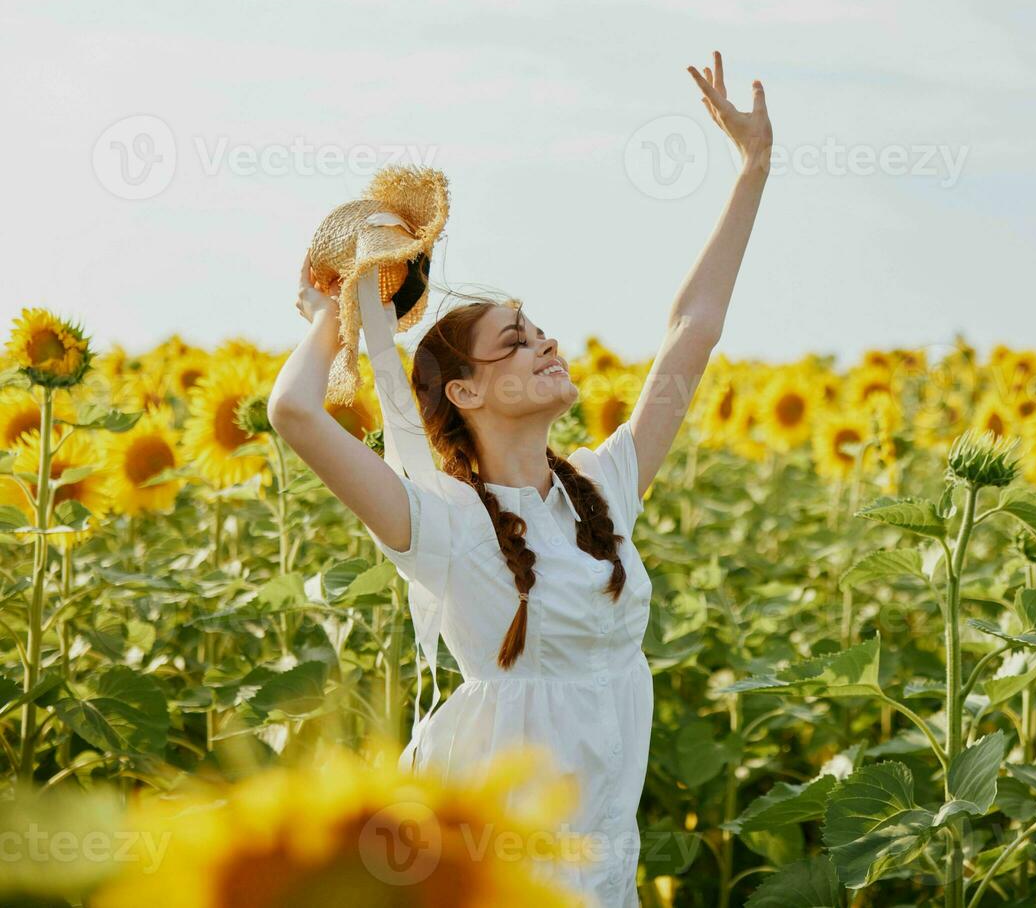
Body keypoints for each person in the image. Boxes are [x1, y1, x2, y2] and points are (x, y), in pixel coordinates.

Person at [266, 51, 771, 907]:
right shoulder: (441, 525)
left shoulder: (601, 490)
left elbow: (694, 329)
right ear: (465, 391)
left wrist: (753, 168)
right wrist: (335, 318)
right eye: (517, 340)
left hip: (604, 853)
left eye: (541, 330)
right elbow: (296, 415)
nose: (548, 345)